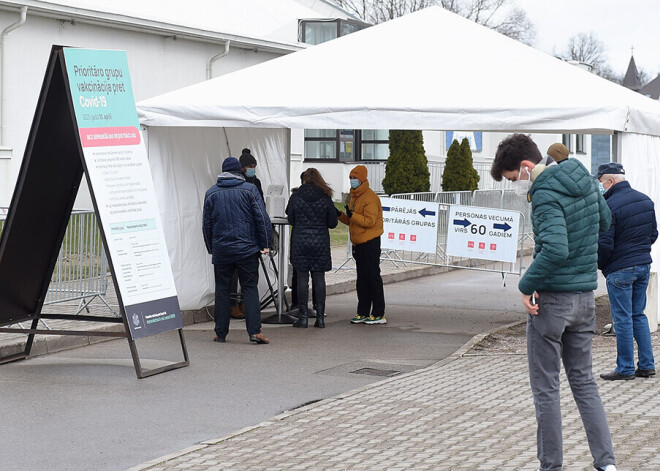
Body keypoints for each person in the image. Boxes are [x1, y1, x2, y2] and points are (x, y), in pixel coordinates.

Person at [491, 134, 617, 471]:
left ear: (526, 167)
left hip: (553, 303)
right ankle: (606, 463)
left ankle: (551, 466)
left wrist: (525, 284)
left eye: (513, 178)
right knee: (585, 383)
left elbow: (556, 250)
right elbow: (605, 222)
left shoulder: (544, 193)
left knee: (546, 389)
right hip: (585, 299)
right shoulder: (586, 181)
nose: (516, 185)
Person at [595, 162, 657, 381]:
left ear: (610, 181)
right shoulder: (645, 200)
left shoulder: (609, 206)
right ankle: (647, 365)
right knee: (638, 315)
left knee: (622, 319)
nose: (600, 186)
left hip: (620, 268)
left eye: (601, 181)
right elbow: (653, 234)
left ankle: (625, 368)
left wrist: (602, 265)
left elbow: (604, 242)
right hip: (643, 265)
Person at [203, 156, 273, 344]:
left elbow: (206, 225)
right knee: (250, 289)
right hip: (247, 250)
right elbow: (261, 218)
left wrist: (212, 249)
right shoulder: (249, 190)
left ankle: (220, 333)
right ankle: (254, 332)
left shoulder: (211, 193)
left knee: (222, 290)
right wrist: (266, 243)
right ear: (239, 171)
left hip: (222, 251)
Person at [286, 168, 338, 328]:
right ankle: (320, 318)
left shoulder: (296, 196)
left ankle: (302, 318)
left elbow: (291, 218)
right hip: (320, 242)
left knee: (302, 278)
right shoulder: (325, 197)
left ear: (304, 180)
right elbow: (333, 223)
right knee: (319, 278)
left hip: (300, 241)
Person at [338, 165, 386, 325]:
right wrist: (341, 215)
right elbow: (352, 219)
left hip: (370, 242)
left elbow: (369, 221)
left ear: (363, 179)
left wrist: (353, 215)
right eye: (350, 178)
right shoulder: (354, 197)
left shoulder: (370, 198)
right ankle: (363, 312)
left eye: (355, 178)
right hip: (358, 243)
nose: (352, 181)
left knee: (373, 277)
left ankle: (379, 313)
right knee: (362, 279)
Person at [227, 148, 264, 319]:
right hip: (238, 235)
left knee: (249, 275)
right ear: (242, 168)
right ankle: (233, 304)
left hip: (250, 236)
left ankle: (244, 303)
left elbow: (260, 207)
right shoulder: (236, 184)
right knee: (234, 274)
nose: (253, 169)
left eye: (254, 166)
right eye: (250, 166)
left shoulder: (256, 183)